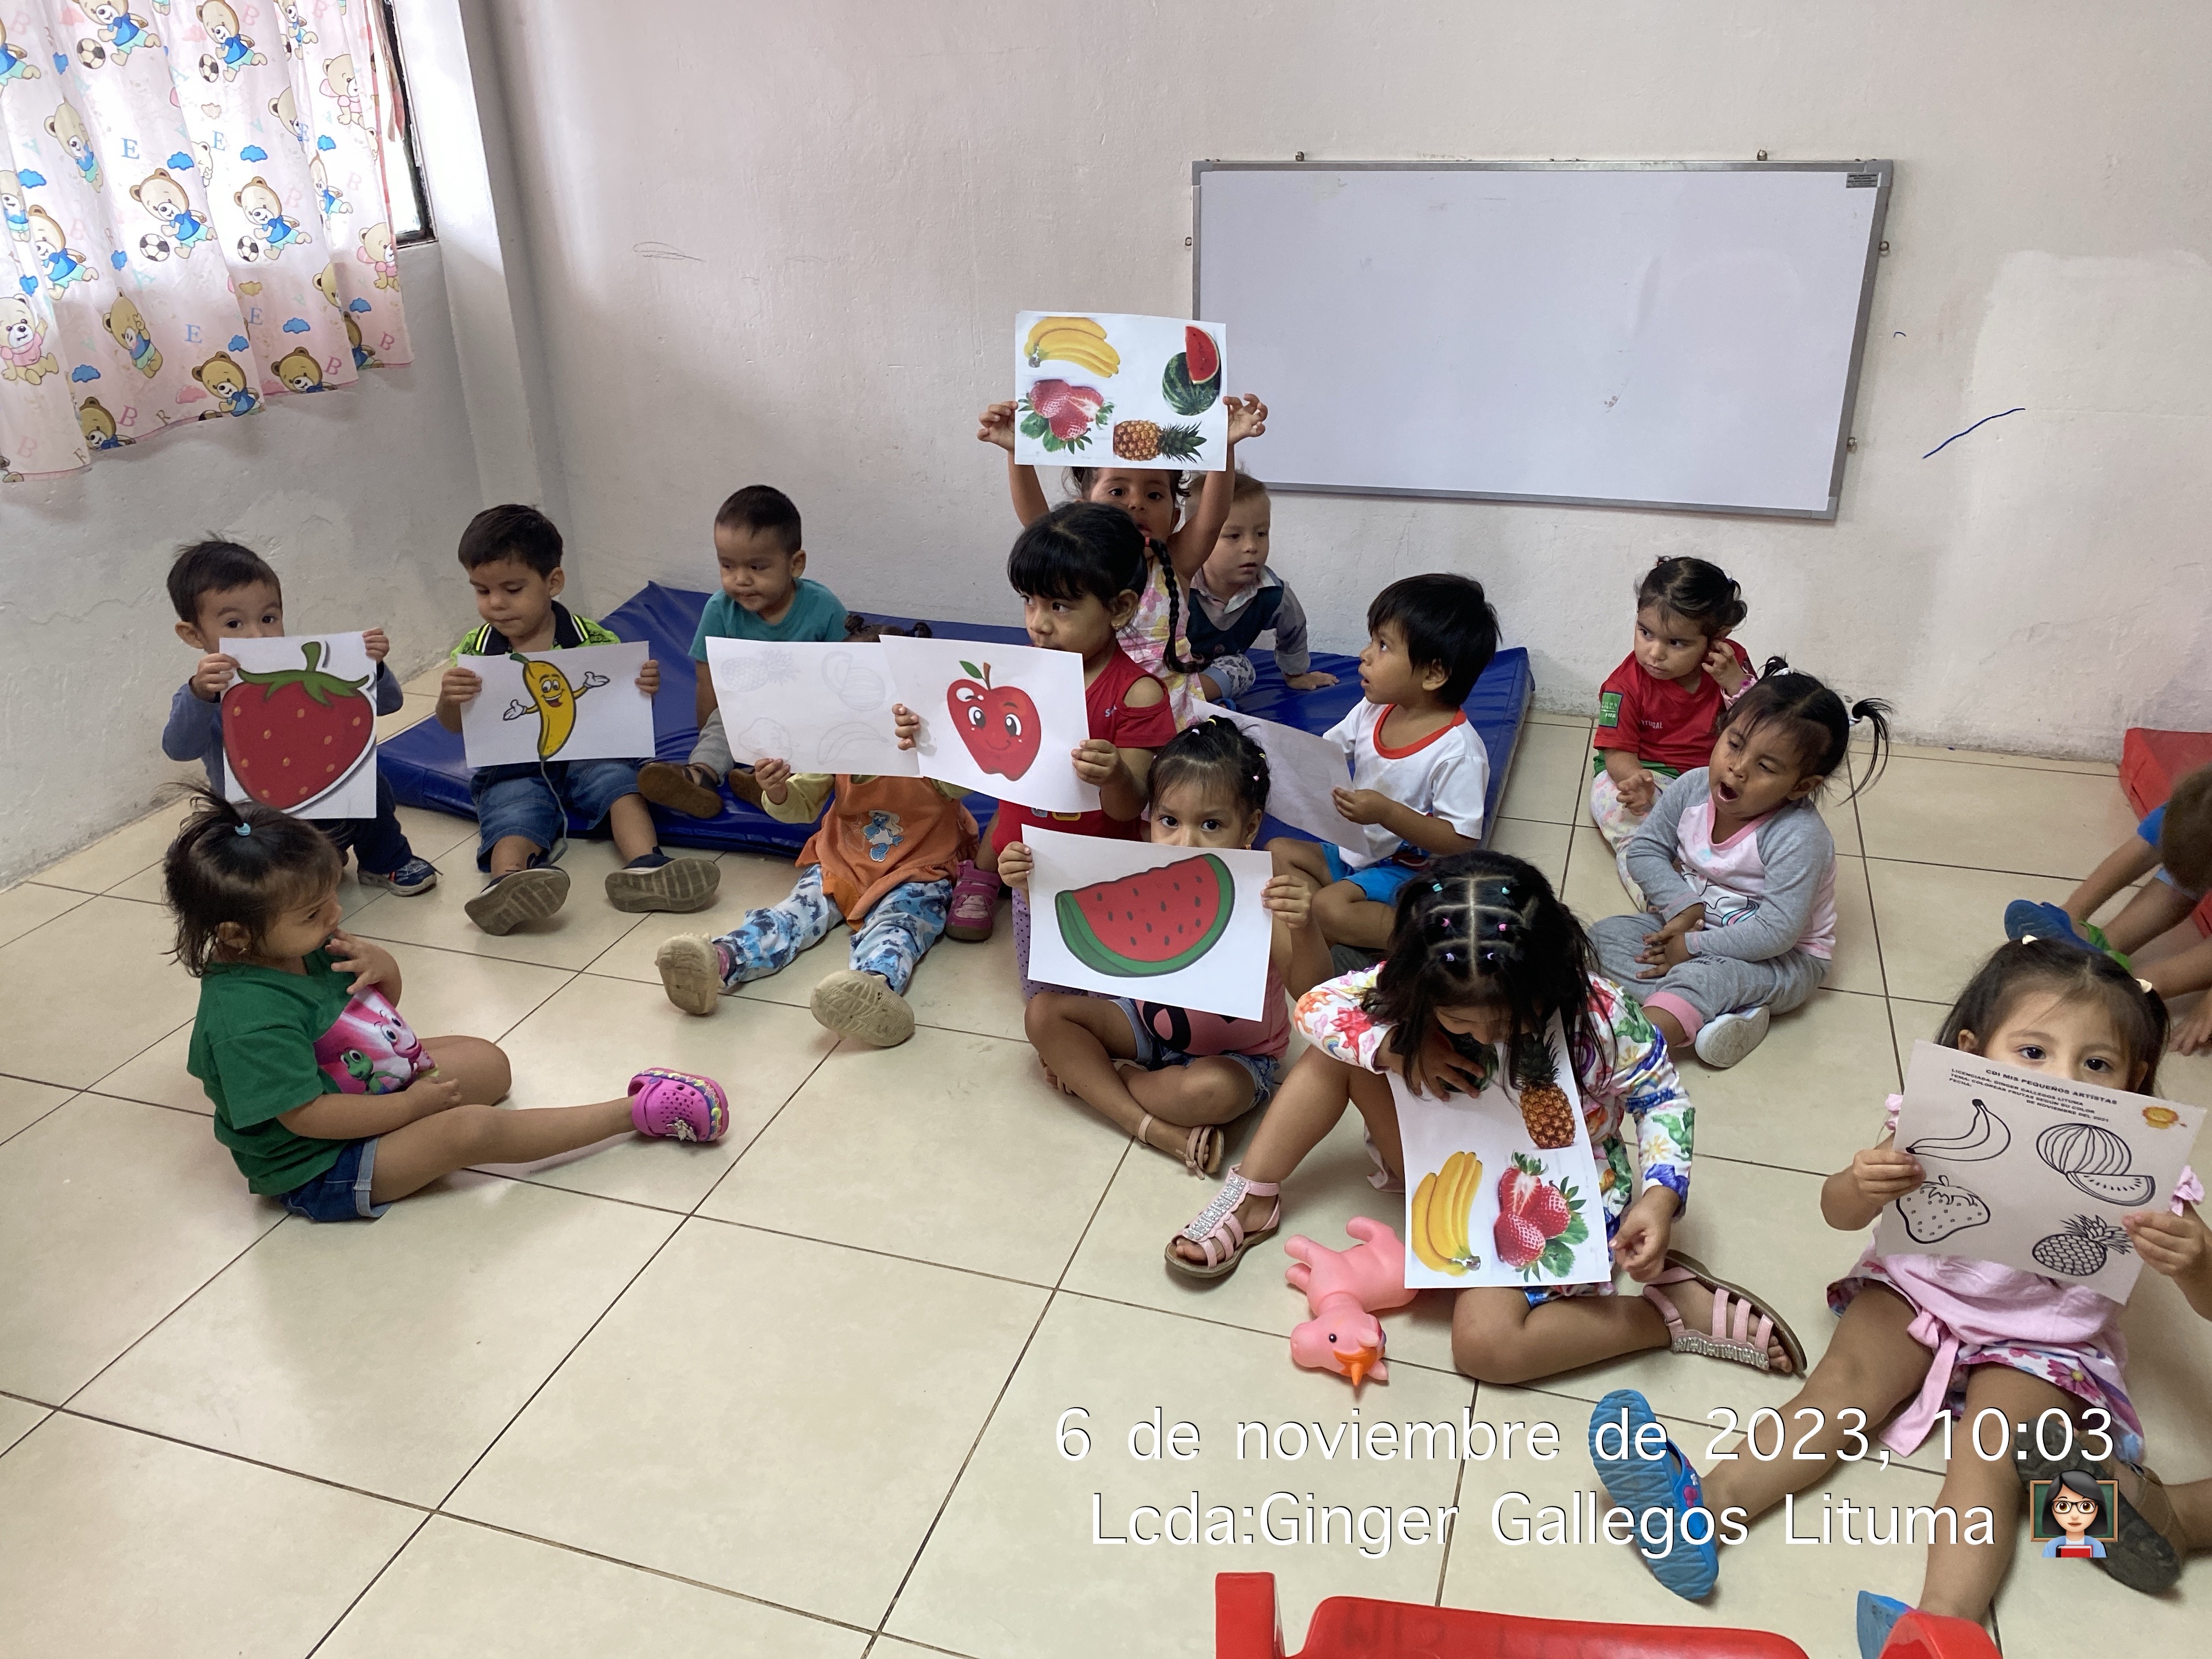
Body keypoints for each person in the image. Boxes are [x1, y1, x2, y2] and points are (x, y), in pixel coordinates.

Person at [1585, 939, 2200, 1627]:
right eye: (2033, 1052)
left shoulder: (2147, 1172)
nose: (2064, 1081)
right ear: (1972, 1052)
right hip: (1919, 1288)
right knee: (1838, 1390)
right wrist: (1863, 1183)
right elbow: (1837, 1211)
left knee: (1990, 1456)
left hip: (2040, 1338)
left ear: (2134, 1077)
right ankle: (1701, 1512)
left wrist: (2195, 1259)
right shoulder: (1937, 1124)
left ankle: (1945, 1626)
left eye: (2097, 1065)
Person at [1166, 854, 1797, 1398]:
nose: (1490, 1037)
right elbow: (1316, 1007)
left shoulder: (1602, 1015)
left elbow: (1661, 1098)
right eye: (1464, 1024)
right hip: (1435, 1158)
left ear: (1554, 978)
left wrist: (1660, 1196)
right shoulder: (1419, 982)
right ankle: (1253, 1194)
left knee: (1485, 1348)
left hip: (1545, 1193)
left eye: (1512, 1020)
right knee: (1333, 1057)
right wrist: (1396, 1048)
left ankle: (1667, 1313)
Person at [165, 789, 729, 1221]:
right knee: (473, 1131)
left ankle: (421, 1117)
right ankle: (635, 1112)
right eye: (313, 913)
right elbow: (309, 1116)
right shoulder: (247, 1021)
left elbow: (372, 1018)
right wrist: (412, 1109)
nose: (334, 915)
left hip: (361, 1089)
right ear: (237, 934)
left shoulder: (300, 946)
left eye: (331, 895)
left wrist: (383, 968)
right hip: (319, 1163)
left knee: (489, 1063)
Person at [955, 388, 1269, 940]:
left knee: (1158, 816)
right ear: (1086, 500)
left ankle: (1162, 892)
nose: (1136, 504)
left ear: (1175, 510)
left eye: (1155, 493)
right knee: (1025, 799)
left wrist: (1220, 446)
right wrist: (1018, 453)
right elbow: (1037, 526)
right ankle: (982, 876)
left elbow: (1214, 515)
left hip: (1159, 713)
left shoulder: (1174, 560)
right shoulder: (1076, 566)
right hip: (1082, 703)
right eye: (1118, 489)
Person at [1002, 718, 1330, 1173]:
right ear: (1150, 818)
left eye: (1211, 824)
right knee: (1043, 1014)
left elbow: (1313, 993)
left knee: (1210, 1093)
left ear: (1250, 826)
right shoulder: (1140, 872)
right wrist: (1030, 882)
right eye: (1169, 821)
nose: (1185, 843)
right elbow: (1079, 921)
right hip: (1142, 1024)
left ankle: (1107, 1079)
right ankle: (1151, 1127)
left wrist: (1305, 926)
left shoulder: (1263, 894)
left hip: (1235, 1059)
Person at [895, 503, 1177, 994]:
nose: (1038, 623)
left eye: (1059, 606)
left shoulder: (1139, 695)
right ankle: (985, 876)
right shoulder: (1012, 676)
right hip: (1023, 863)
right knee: (1041, 993)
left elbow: (1130, 807)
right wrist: (924, 735)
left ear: (1119, 608)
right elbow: (964, 774)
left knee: (1107, 986)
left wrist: (1114, 774)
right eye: (1029, 601)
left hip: (1097, 870)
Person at [1590, 662, 1891, 1069]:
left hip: (1782, 959)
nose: (1738, 768)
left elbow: (1776, 933)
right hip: (1697, 929)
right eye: (1734, 744)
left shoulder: (1799, 836)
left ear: (1801, 786)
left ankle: (1623, 1055)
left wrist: (1691, 948)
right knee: (1603, 938)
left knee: (1704, 977)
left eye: (1765, 767)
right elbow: (1645, 850)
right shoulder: (1692, 787)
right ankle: (1713, 1011)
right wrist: (1683, 907)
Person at [435, 504, 719, 934]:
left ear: (553, 582)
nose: (496, 604)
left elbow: (622, 715)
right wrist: (449, 699)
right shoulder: (475, 651)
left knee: (620, 784)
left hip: (590, 752)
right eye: (482, 591)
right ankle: (508, 883)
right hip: (512, 762)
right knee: (512, 805)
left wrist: (641, 688)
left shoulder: (593, 641)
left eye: (512, 589)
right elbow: (454, 725)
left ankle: (647, 865)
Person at [161, 538, 437, 896]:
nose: (257, 635)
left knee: (370, 781)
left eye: (269, 618)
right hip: (257, 824)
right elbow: (179, 749)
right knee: (224, 856)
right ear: (193, 634)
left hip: (326, 801)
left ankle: (385, 860)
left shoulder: (312, 672)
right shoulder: (202, 693)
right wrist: (199, 696)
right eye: (234, 623)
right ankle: (314, 865)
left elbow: (389, 703)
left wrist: (374, 668)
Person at [653, 754, 977, 1048]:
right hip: (841, 862)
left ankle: (876, 984)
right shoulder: (838, 745)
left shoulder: (930, 752)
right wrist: (777, 790)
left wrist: (928, 742)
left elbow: (966, 777)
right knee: (794, 912)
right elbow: (800, 803)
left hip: (917, 870)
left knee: (900, 925)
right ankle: (724, 958)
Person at [1269, 574, 1497, 952]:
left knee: (1327, 907)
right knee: (1277, 851)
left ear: (1433, 674)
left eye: (1384, 645)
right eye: (1373, 640)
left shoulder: (1458, 751)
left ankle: (1427, 936)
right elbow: (1326, 750)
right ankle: (1338, 923)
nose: (1366, 654)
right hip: (1355, 849)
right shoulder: (1374, 709)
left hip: (1406, 871)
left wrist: (1387, 813)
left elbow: (1459, 839)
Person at [637, 484, 850, 819]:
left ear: (795, 564)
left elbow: (847, 672)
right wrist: (705, 733)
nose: (740, 580)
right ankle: (699, 777)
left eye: (757, 568)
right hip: (746, 709)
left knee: (821, 746)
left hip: (806, 710)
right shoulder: (720, 610)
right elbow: (707, 679)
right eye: (727, 566)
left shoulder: (823, 607)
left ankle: (769, 787)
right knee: (722, 723)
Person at [2005, 763, 2212, 1052]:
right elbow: (2140, 850)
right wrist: (2072, 912)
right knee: (2181, 873)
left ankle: (2139, 985)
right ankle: (2101, 946)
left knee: (2188, 873)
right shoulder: (2200, 802)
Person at [1589, 556, 1753, 900]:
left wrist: (1735, 683)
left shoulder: (1729, 663)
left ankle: (1717, 887)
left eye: (1677, 643)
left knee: (1753, 818)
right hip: (1648, 773)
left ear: (1716, 638)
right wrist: (1635, 781)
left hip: (1707, 777)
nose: (1655, 653)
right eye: (1645, 633)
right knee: (1627, 821)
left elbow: (1757, 728)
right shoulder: (1622, 687)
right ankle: (1663, 899)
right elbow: (1617, 752)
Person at [1184, 472, 1334, 702]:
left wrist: (1295, 674)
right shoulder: (1176, 584)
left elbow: (1293, 629)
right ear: (1196, 537)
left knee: (1243, 668)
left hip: (1213, 674)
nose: (1251, 546)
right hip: (1166, 666)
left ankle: (1185, 700)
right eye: (1233, 536)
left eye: (1261, 533)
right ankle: (1170, 698)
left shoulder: (1272, 593)